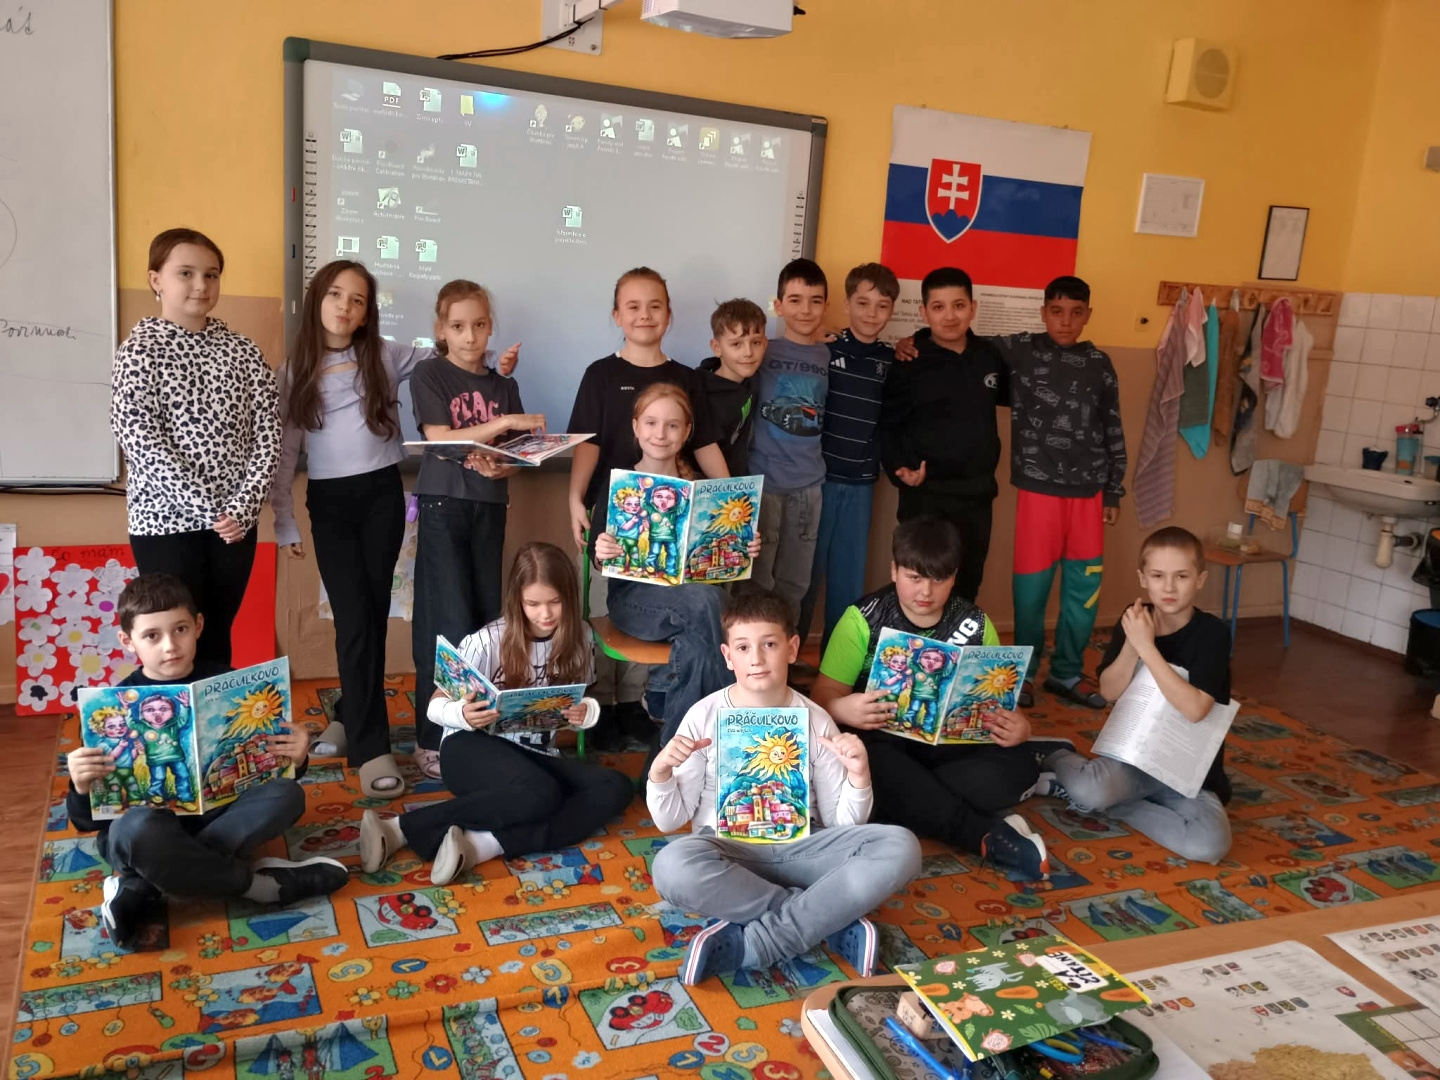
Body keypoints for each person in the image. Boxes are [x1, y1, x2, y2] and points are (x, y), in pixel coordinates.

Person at [270, 261, 520, 797]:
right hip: (330, 501)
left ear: (368, 313)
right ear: (317, 300)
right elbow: (287, 450)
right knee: (354, 620)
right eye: (335, 295)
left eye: (358, 300)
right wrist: (283, 520)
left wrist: (495, 362)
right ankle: (370, 747)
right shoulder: (296, 370)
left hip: (382, 494)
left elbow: (454, 356)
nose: (345, 307)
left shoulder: (386, 353)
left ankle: (350, 712)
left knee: (371, 617)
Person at [647, 592, 921, 985]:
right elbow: (668, 821)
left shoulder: (816, 719)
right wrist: (660, 773)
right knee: (671, 865)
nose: (756, 659)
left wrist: (859, 776)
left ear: (792, 649)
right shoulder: (703, 716)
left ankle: (759, 941)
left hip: (804, 851)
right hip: (730, 854)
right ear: (728, 656)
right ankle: (828, 921)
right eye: (744, 648)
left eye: (770, 645)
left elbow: (842, 824)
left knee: (900, 846)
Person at [66, 573, 346, 948]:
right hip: (147, 833)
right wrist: (81, 787)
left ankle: (143, 885)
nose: (170, 646)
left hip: (218, 819)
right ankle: (258, 887)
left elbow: (271, 769)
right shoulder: (111, 708)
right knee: (137, 829)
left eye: (180, 629)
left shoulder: (231, 685)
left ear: (198, 626)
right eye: (152, 636)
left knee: (287, 795)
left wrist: (296, 757)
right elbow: (85, 821)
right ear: (128, 641)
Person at [360, 543, 633, 884]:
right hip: (469, 749)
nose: (545, 614)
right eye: (533, 604)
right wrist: (463, 714)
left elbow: (583, 697)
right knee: (542, 793)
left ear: (569, 596)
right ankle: (399, 828)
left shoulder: (580, 637)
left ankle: (482, 845)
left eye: (555, 602)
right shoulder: (487, 641)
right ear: (517, 600)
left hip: (535, 757)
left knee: (615, 786)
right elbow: (434, 705)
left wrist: (584, 713)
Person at [809, 518, 1052, 880]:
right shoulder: (862, 618)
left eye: (939, 579)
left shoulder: (975, 623)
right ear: (894, 570)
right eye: (914, 577)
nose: (925, 591)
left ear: (954, 577)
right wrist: (844, 707)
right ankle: (983, 835)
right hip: (884, 743)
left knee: (1016, 766)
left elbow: (1002, 706)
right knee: (871, 768)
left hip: (951, 748)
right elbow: (822, 696)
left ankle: (918, 804)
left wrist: (1020, 728)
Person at [566, 268, 731, 749]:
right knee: (703, 608)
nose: (644, 315)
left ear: (669, 314)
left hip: (678, 569)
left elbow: (707, 443)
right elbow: (589, 444)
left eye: (655, 305)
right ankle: (710, 728)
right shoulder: (601, 374)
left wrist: (735, 509)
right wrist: (575, 497)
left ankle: (663, 720)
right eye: (633, 306)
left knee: (701, 613)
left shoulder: (686, 379)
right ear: (617, 315)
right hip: (618, 535)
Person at [111, 228, 281, 668]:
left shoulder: (243, 351)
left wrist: (242, 507)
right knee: (173, 644)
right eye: (185, 273)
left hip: (234, 526)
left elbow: (268, 433)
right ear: (156, 280)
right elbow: (140, 439)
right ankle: (171, 715)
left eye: (211, 274)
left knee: (216, 631)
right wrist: (209, 509)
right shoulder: (139, 350)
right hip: (165, 524)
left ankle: (217, 714)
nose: (201, 285)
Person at [409, 281, 542, 779]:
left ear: (490, 327)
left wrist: (503, 467)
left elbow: (512, 458)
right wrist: (505, 422)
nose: (470, 336)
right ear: (441, 329)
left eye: (480, 325)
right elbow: (439, 437)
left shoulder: (503, 384)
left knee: (486, 622)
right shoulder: (429, 373)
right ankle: (432, 736)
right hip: (443, 505)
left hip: (489, 506)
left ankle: (478, 727)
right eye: (458, 326)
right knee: (445, 622)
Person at [1038, 527, 1233, 863]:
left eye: (1181, 576)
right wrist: (1133, 643)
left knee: (1209, 844)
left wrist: (1148, 647)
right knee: (1089, 791)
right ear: (1143, 578)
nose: (1168, 587)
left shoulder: (1213, 634)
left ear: (1200, 580)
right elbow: (1108, 691)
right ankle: (1056, 754)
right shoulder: (1135, 618)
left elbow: (1196, 710)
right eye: (1158, 576)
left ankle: (1116, 805)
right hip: (1135, 760)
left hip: (1186, 773)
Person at [594, 384, 759, 748]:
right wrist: (602, 548)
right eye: (651, 423)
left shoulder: (702, 489)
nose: (661, 433)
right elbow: (597, 552)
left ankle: (670, 754)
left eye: (672, 425)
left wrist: (744, 545)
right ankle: (732, 723)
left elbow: (722, 558)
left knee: (698, 643)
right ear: (636, 427)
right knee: (710, 603)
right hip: (634, 601)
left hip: (693, 605)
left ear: (686, 432)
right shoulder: (620, 484)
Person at [1000, 276, 1127, 708]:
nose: (1066, 321)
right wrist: (915, 340)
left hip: (1090, 495)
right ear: (1043, 313)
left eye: (1076, 313)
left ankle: (1067, 672)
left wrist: (1113, 490)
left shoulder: (1100, 363)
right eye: (1056, 312)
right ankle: (1024, 675)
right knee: (1030, 593)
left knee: (1082, 592)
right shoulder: (1021, 349)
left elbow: (1112, 426)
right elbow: (963, 341)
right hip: (1039, 495)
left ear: (1088, 315)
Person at [879, 267, 1006, 604]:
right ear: (924, 313)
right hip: (925, 498)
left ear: (972, 308)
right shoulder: (910, 359)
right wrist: (900, 467)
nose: (949, 316)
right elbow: (888, 423)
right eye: (938, 307)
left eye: (959, 305)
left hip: (977, 497)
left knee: (967, 583)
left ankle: (957, 641)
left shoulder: (989, 356)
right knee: (920, 587)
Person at [799, 263, 898, 652]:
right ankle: (790, 656)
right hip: (817, 481)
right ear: (847, 304)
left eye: (882, 306)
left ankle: (836, 662)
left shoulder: (892, 360)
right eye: (863, 303)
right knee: (804, 576)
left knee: (848, 579)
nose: (871, 314)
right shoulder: (825, 349)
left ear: (892, 310)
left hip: (860, 485)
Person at [747, 258, 830, 624]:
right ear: (778, 306)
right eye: (795, 300)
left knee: (795, 583)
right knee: (755, 581)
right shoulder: (762, 351)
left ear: (826, 305)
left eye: (815, 300)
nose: (805, 309)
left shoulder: (829, 354)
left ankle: (787, 652)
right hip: (764, 484)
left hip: (809, 488)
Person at [694, 298, 766, 476]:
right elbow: (702, 447)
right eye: (736, 344)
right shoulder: (702, 392)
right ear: (717, 348)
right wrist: (727, 488)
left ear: (765, 344)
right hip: (706, 485)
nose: (748, 353)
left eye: (756, 342)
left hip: (739, 482)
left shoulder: (751, 376)